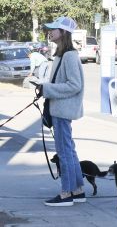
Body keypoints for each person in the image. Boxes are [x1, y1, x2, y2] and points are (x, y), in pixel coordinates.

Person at [37, 16, 86, 206]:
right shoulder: (62, 54)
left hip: (62, 111)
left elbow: (75, 85)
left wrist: (47, 89)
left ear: (64, 32)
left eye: (54, 29)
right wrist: (45, 87)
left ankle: (67, 194)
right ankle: (78, 189)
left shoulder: (69, 56)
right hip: (60, 109)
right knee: (69, 151)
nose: (50, 31)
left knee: (64, 152)